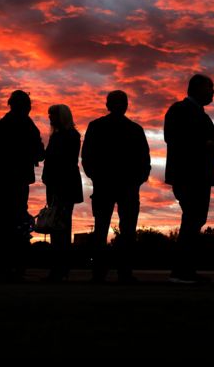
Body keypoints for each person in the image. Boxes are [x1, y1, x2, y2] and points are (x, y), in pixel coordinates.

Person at [164, 74, 214, 284]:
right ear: (197, 88)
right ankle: (181, 271)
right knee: (192, 219)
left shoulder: (201, 114)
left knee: (195, 220)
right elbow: (173, 137)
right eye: (210, 87)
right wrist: (207, 145)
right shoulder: (179, 110)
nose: (213, 92)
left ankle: (185, 270)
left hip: (200, 176)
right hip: (188, 175)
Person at [82, 91, 151, 284]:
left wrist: (96, 177)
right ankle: (122, 272)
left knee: (103, 228)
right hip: (122, 185)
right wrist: (137, 179)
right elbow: (144, 160)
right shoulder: (134, 129)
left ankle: (101, 273)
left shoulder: (97, 126)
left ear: (108, 105)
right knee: (124, 230)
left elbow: (87, 157)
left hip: (110, 185)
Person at [0, 90, 45, 280]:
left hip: (4, 178)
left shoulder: (4, 124)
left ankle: (6, 264)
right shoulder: (28, 125)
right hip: (18, 179)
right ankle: (17, 264)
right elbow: (40, 152)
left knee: (6, 219)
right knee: (18, 219)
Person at [41, 104, 84, 282]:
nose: (50, 118)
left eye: (52, 115)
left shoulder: (69, 136)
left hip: (63, 184)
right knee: (57, 225)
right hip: (57, 184)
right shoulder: (60, 136)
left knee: (61, 226)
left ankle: (60, 269)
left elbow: (64, 161)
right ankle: (59, 269)